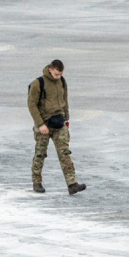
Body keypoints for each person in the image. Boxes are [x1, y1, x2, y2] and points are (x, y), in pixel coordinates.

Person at [27, 60, 85, 195]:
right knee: (40, 154)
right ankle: (36, 182)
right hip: (44, 124)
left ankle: (72, 184)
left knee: (65, 153)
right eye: (56, 74)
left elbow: (65, 100)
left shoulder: (62, 82)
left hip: (59, 123)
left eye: (60, 74)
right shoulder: (38, 83)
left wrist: (66, 118)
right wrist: (40, 124)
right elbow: (31, 105)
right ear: (50, 70)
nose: (58, 77)